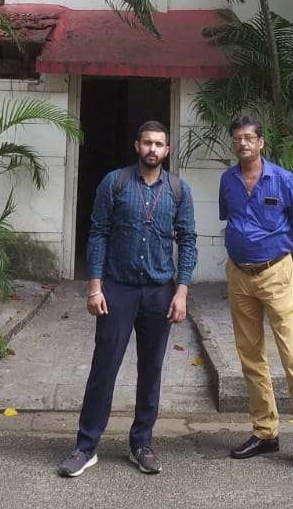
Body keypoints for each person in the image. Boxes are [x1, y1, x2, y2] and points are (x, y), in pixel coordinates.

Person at [57, 119, 198, 478]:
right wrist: (94, 286)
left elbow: (188, 241)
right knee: (104, 367)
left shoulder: (178, 190)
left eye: (159, 144)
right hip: (117, 289)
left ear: (167, 150)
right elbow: (98, 233)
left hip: (159, 292)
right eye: (147, 143)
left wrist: (182, 291)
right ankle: (86, 446)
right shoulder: (114, 183)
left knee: (151, 371)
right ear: (137, 146)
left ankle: (142, 444)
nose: (153, 149)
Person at [219, 112, 293, 480]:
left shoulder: (282, 179)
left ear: (261, 142)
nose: (243, 144)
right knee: (251, 358)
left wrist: (278, 257)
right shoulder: (228, 180)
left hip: (275, 274)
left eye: (249, 138)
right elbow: (232, 220)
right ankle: (265, 432)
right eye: (237, 138)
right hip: (239, 276)